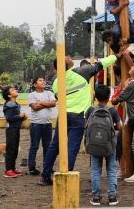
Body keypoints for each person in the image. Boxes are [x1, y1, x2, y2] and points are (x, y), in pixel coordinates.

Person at [39, 54, 118, 186]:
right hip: (79, 116)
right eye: (67, 57)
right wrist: (115, 56)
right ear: (67, 64)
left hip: (64, 116)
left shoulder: (56, 81)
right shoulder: (81, 72)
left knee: (55, 146)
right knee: (73, 147)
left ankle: (45, 175)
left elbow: (57, 96)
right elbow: (101, 64)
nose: (69, 57)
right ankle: (66, 175)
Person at [87, 84, 122, 206]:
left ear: (95, 97)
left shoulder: (91, 110)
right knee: (111, 170)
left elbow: (86, 126)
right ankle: (112, 197)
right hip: (110, 145)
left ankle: (96, 197)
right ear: (108, 97)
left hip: (94, 145)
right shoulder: (112, 110)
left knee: (96, 170)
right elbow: (120, 126)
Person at [27, 77, 55, 175]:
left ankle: (47, 167)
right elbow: (34, 107)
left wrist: (41, 102)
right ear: (35, 84)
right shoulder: (32, 95)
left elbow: (53, 103)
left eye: (43, 80)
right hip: (36, 124)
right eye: (40, 80)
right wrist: (47, 103)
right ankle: (32, 167)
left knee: (47, 146)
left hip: (47, 124)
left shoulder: (49, 93)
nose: (43, 81)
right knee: (34, 146)